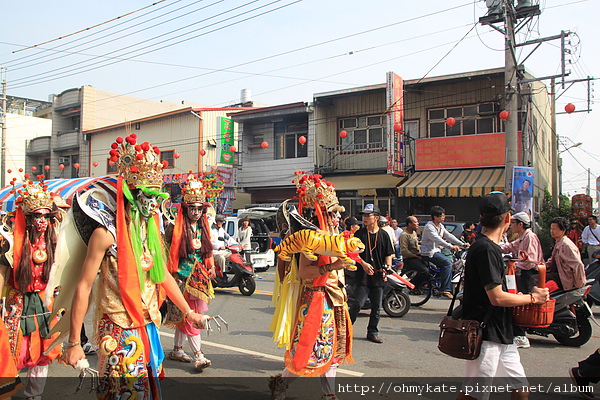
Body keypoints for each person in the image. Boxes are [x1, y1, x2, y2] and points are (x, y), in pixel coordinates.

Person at [59, 136, 208, 399]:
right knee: (123, 393)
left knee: (147, 392)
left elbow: (161, 276)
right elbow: (83, 286)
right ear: (131, 195)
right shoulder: (106, 235)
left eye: (156, 198)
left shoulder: (150, 232)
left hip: (148, 325)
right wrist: (73, 342)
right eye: (147, 197)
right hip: (117, 327)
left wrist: (188, 312)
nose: (153, 205)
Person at [269, 171, 353, 400]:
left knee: (333, 352)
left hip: (336, 300)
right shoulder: (311, 238)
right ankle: (281, 384)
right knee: (308, 350)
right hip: (317, 299)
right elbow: (306, 272)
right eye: (332, 214)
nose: (337, 219)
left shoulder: (336, 236)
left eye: (337, 214)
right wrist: (331, 267)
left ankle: (329, 395)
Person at [458, 192, 549, 400]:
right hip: (486, 334)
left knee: (520, 387)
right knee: (473, 395)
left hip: (501, 333)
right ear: (507, 218)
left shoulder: (489, 248)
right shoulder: (486, 249)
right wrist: (533, 298)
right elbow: (497, 297)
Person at [0, 178, 62, 400]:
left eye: (46, 215)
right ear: (26, 218)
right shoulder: (10, 242)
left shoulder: (55, 240)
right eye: (37, 215)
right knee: (12, 349)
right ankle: (7, 390)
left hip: (45, 303)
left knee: (42, 351)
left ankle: (34, 394)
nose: (42, 221)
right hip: (18, 303)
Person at [165, 173, 218, 371]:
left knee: (186, 315)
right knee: (190, 316)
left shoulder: (204, 228)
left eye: (199, 209)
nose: (195, 213)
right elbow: (167, 253)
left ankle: (178, 349)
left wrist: (211, 266)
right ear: (185, 209)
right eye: (192, 209)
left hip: (199, 278)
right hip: (181, 278)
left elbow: (207, 251)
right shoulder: (174, 228)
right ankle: (199, 355)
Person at [348, 204, 394, 344]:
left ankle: (372, 331)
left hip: (378, 275)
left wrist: (388, 266)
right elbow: (352, 253)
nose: (365, 218)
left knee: (376, 306)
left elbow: (389, 254)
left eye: (369, 215)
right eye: (364, 215)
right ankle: (346, 328)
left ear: (377, 217)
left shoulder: (384, 234)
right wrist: (363, 263)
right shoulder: (359, 234)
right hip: (362, 275)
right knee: (358, 303)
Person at [500, 211, 544, 349]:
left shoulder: (529, 237)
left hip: (527, 274)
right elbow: (510, 246)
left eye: (513, 223)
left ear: (520, 224)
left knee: (519, 304)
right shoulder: (523, 237)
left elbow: (530, 260)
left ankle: (521, 336)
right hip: (522, 273)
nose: (511, 225)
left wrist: (515, 264)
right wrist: (495, 248)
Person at [420, 206, 466, 299]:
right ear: (435, 217)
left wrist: (462, 244)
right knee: (447, 264)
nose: (443, 218)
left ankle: (440, 281)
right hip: (429, 252)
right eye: (441, 216)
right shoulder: (429, 227)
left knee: (452, 264)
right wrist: (451, 246)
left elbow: (449, 236)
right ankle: (445, 288)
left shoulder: (440, 226)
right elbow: (437, 239)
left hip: (436, 251)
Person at [546, 217, 587, 291]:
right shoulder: (558, 242)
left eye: (554, 229)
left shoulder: (566, 245)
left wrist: (579, 285)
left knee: (536, 279)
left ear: (563, 230)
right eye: (551, 229)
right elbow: (552, 260)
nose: (552, 231)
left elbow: (578, 264)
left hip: (565, 278)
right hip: (558, 274)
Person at [400, 216, 429, 289]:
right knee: (424, 271)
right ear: (409, 224)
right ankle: (412, 285)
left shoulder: (414, 233)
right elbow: (404, 251)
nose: (417, 224)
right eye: (415, 222)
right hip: (410, 259)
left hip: (418, 255)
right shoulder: (404, 235)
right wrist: (416, 257)